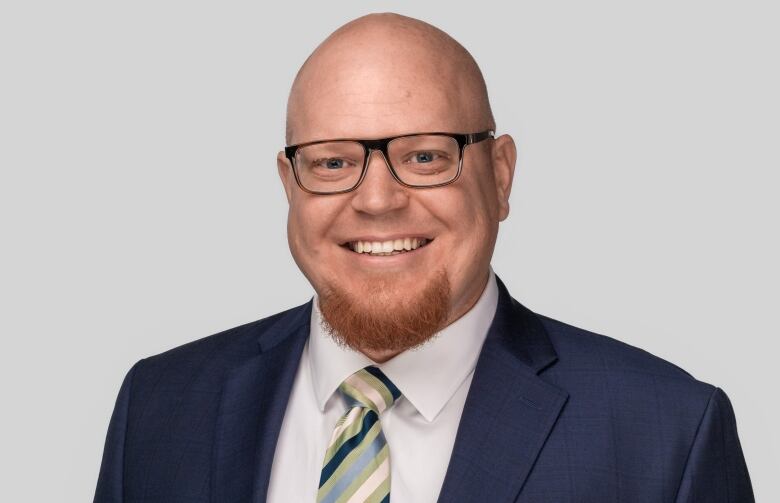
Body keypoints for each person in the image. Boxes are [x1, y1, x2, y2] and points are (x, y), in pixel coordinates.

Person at [93, 12, 754, 503]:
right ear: (289, 186)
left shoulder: (664, 436)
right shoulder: (158, 409)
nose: (377, 199)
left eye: (426, 156)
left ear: (500, 176)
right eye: (332, 162)